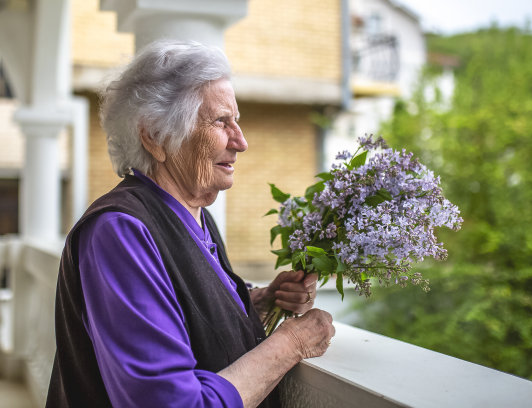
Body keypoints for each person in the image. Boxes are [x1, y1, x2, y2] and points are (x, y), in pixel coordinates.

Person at [46, 40, 335, 408]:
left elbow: (183, 311)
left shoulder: (196, 217)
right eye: (220, 121)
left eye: (238, 121)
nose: (241, 142)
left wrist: (255, 304)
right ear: (154, 135)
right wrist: (290, 343)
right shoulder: (119, 231)